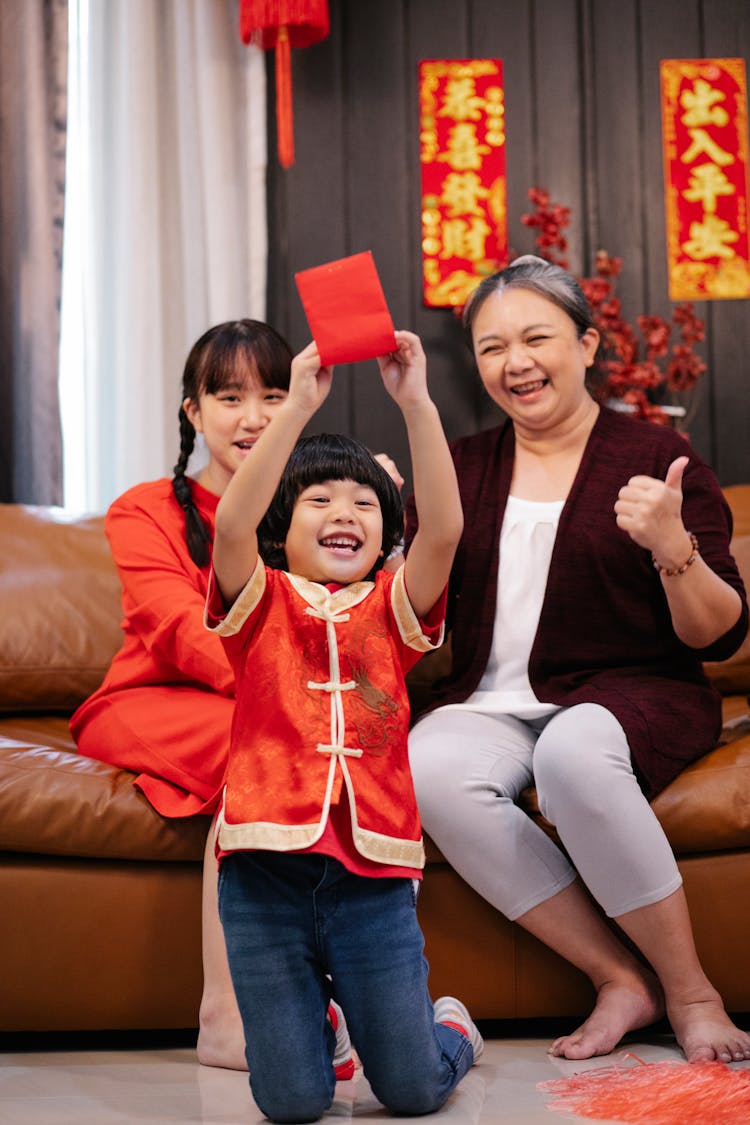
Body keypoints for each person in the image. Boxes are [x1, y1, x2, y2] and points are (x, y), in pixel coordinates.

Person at [406, 255, 750, 1066]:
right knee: (425, 766)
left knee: (571, 752)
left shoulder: (656, 457)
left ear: (588, 344)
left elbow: (719, 633)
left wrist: (675, 548)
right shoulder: (461, 467)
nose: (514, 362)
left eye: (536, 338)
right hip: (490, 701)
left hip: (633, 694)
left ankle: (694, 991)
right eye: (492, 347)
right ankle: (619, 977)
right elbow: (412, 603)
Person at [70, 319, 362, 1075]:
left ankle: (328, 997)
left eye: (272, 393)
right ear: (194, 412)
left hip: (276, 706)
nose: (254, 416)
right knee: (260, 757)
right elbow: (174, 626)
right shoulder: (145, 510)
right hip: (151, 698)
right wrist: (290, 697)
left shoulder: (311, 509)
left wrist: (366, 526)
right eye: (229, 396)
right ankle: (226, 1019)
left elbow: (353, 625)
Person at [206, 331, 482, 1123]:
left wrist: (416, 403)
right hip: (263, 879)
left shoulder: (393, 607)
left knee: (413, 1089)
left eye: (365, 502)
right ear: (281, 528)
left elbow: (444, 532)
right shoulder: (256, 600)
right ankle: (322, 1030)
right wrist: (295, 408)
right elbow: (230, 526)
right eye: (318, 500)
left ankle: (449, 1026)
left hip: (374, 880)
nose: (344, 512)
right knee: (291, 1102)